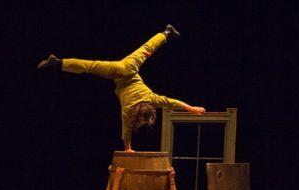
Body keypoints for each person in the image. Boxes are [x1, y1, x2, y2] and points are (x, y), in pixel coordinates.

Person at [37, 24, 205, 152]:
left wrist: (191, 108)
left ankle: (167, 32)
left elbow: (171, 102)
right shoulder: (129, 109)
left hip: (125, 71)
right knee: (91, 66)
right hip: (124, 70)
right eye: (140, 122)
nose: (139, 125)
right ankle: (57, 62)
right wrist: (128, 148)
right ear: (137, 115)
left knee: (146, 49)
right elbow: (126, 131)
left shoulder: (151, 99)